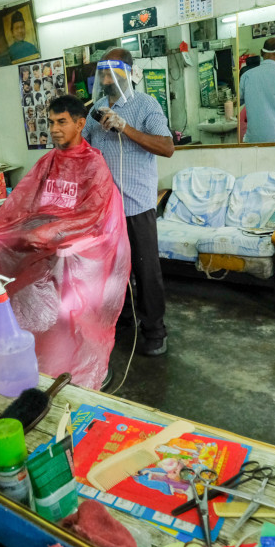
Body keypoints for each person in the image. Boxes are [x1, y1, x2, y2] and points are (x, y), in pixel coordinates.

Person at [0, 95, 130, 388]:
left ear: (80, 124)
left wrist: (52, 234)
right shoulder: (48, 162)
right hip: (44, 244)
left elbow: (92, 215)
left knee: (63, 302)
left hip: (79, 249)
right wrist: (0, 229)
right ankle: (0, 342)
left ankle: (69, 362)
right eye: (51, 122)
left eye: (62, 122)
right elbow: (23, 204)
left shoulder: (94, 165)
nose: (54, 129)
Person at [83, 48, 174, 357]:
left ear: (125, 72)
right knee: (111, 271)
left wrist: (125, 128)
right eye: (102, 73)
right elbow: (84, 149)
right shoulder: (95, 109)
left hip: (137, 205)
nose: (105, 78)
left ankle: (154, 330)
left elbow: (166, 147)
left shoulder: (146, 105)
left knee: (146, 271)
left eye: (110, 72)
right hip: (105, 209)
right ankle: (122, 320)